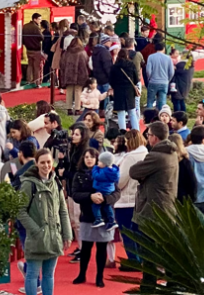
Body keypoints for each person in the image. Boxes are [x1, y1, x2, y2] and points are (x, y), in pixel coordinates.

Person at [17, 149, 72, 295]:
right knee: (32, 275)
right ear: (36, 163)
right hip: (36, 239)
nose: (46, 165)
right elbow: (20, 211)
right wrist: (36, 230)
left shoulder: (56, 182)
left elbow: (63, 210)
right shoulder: (29, 184)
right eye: (42, 162)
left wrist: (67, 233)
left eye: (48, 162)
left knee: (49, 275)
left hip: (54, 237)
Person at [70, 148, 115, 287]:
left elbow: (116, 192)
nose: (89, 159)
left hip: (104, 216)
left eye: (92, 157)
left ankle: (99, 277)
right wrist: (90, 197)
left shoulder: (108, 172)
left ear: (97, 159)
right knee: (86, 248)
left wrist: (105, 198)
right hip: (87, 216)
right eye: (86, 157)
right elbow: (75, 194)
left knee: (102, 249)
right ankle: (82, 274)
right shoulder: (78, 175)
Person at [130, 123, 178, 226]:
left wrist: (140, 164)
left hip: (153, 210)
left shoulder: (156, 156)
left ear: (154, 137)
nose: (147, 137)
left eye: (148, 134)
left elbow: (133, 172)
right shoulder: (171, 153)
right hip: (167, 205)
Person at [113, 130, 147, 263]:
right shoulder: (146, 154)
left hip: (126, 199)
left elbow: (121, 181)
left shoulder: (131, 157)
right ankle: (141, 259)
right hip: (139, 198)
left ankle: (134, 260)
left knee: (127, 232)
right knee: (138, 232)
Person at [57, 31, 90, 115]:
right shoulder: (82, 52)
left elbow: (62, 64)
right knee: (78, 91)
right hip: (79, 75)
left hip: (68, 75)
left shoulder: (66, 53)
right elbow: (85, 64)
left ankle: (69, 109)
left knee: (69, 91)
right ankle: (77, 109)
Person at [109, 47, 141, 131]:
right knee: (132, 112)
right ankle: (136, 131)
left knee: (121, 113)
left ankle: (122, 131)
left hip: (119, 91)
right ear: (127, 55)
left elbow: (111, 80)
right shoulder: (131, 65)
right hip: (130, 91)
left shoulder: (115, 67)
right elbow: (136, 79)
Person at [144, 41, 174, 110]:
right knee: (162, 102)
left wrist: (150, 78)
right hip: (164, 82)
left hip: (153, 82)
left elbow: (148, 71)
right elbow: (172, 72)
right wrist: (168, 79)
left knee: (150, 101)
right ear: (164, 48)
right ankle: (161, 118)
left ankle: (149, 118)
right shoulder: (168, 58)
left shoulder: (151, 57)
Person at [169, 135, 197, 203]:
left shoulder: (167, 161)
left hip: (171, 196)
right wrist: (193, 198)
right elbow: (192, 181)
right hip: (183, 197)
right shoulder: (185, 162)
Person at [24, 13, 46, 86]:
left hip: (28, 49)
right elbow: (42, 38)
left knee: (29, 65)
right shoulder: (36, 28)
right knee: (36, 67)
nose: (40, 21)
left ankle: (28, 80)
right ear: (35, 19)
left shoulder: (25, 26)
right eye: (39, 19)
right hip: (36, 49)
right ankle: (37, 82)